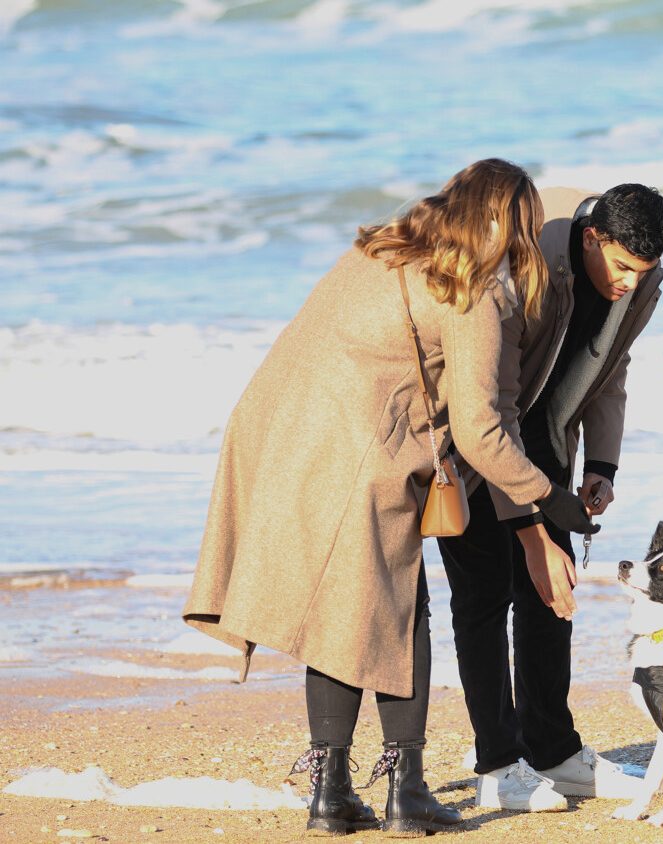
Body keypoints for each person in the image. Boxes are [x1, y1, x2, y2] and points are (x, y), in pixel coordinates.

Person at [182, 159, 598, 836]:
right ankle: (406, 793)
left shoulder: (383, 249)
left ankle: (331, 794)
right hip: (352, 450)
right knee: (399, 609)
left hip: (278, 426)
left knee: (343, 611)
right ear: (512, 222)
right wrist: (552, 501)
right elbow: (483, 431)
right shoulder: (474, 287)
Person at [436, 183, 663, 811]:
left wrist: (601, 464)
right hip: (477, 433)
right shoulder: (527, 262)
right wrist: (527, 517)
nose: (627, 282)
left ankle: (553, 749)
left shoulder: (630, 281)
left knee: (550, 595)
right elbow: (491, 399)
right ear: (593, 238)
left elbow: (611, 370)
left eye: (641, 272)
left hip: (545, 441)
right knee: (483, 597)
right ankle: (497, 762)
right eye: (622, 266)